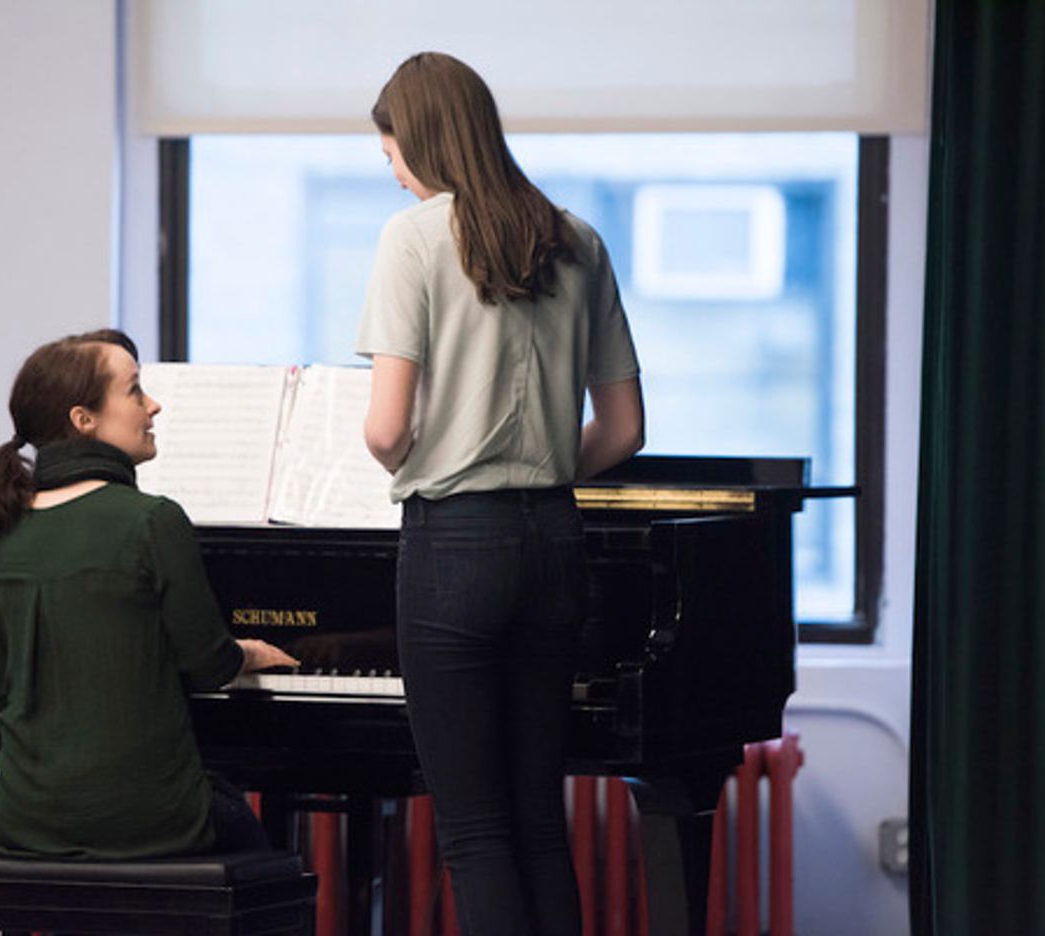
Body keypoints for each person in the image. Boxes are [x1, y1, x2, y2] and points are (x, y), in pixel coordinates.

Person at [357, 53, 646, 935]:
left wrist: (430, 454)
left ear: (427, 137)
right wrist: (542, 467)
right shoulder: (578, 238)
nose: (392, 169)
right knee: (536, 828)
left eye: (394, 150)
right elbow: (627, 429)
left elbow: (383, 429)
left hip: (454, 547)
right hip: (556, 542)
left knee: (474, 834)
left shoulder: (411, 239)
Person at [0, 328, 295, 860]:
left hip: (22, 818)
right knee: (266, 859)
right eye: (136, 391)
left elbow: (3, 688)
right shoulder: (151, 522)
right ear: (84, 420)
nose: (154, 406)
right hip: (148, 820)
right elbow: (209, 666)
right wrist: (249, 652)